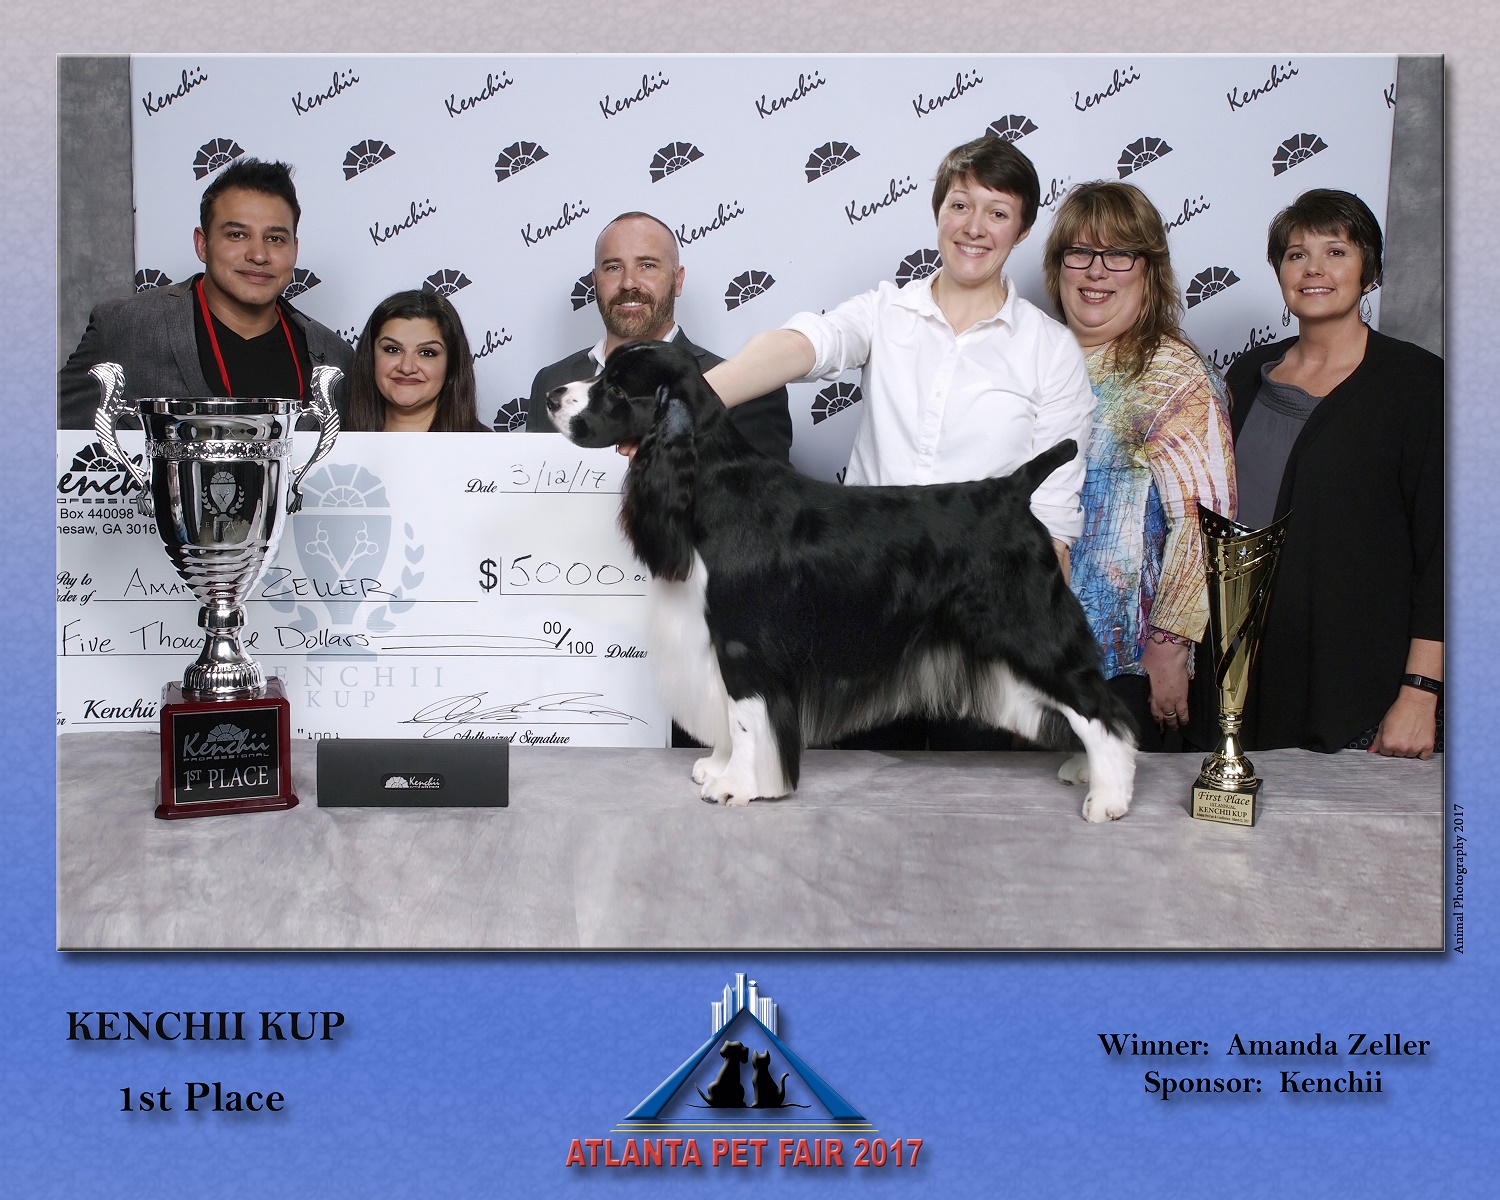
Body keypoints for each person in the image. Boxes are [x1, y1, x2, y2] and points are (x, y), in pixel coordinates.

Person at [704, 135, 1096, 749]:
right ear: (938, 212)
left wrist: (1040, 676)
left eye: (998, 212)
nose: (974, 227)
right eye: (960, 205)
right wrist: (695, 398)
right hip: (863, 609)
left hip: (978, 622)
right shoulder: (883, 312)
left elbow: (1051, 526)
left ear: (1021, 232)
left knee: (977, 794)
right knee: (855, 790)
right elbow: (802, 345)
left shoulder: (1051, 352)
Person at [1227, 188, 1442, 757]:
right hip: (1247, 678)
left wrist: (1421, 692)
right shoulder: (1245, 376)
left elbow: (1446, 553)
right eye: (1297, 254)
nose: (1314, 268)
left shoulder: (1419, 385)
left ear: (1369, 273)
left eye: (1336, 252)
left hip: (1361, 692)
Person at [1041, 181, 1236, 751]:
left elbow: (1204, 524)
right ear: (1058, 267)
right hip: (1023, 657)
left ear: (1149, 270)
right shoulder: (1034, 359)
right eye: (1080, 252)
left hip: (1120, 667)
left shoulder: (1173, 373)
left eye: (1120, 254)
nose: (1096, 271)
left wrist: (1169, 648)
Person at [58, 157, 353, 428]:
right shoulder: (127, 326)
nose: (259, 255)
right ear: (202, 244)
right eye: (237, 235)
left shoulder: (334, 357)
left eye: (275, 239)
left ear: (294, 250)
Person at [525, 211, 793, 460]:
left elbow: (762, 494)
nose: (629, 283)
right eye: (614, 267)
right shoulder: (551, 381)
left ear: (678, 280)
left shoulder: (748, 390)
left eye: (647, 265)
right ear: (596, 282)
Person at [345, 290, 486, 432]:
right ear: (370, 357)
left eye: (427, 353)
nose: (406, 367)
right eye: (393, 350)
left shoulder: (490, 444)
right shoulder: (337, 440)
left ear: (451, 363)